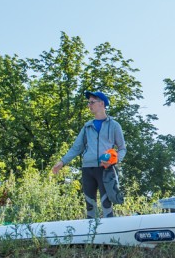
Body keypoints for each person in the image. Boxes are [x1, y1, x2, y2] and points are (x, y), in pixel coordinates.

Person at [51, 91, 126, 219]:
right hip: (87, 169)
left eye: (92, 102)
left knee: (106, 203)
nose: (89, 105)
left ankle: (110, 230)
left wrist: (115, 160)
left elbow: (122, 148)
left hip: (105, 169)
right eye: (88, 103)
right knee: (90, 205)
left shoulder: (114, 125)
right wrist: (62, 162)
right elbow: (77, 148)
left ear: (102, 104)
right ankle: (91, 230)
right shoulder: (87, 127)